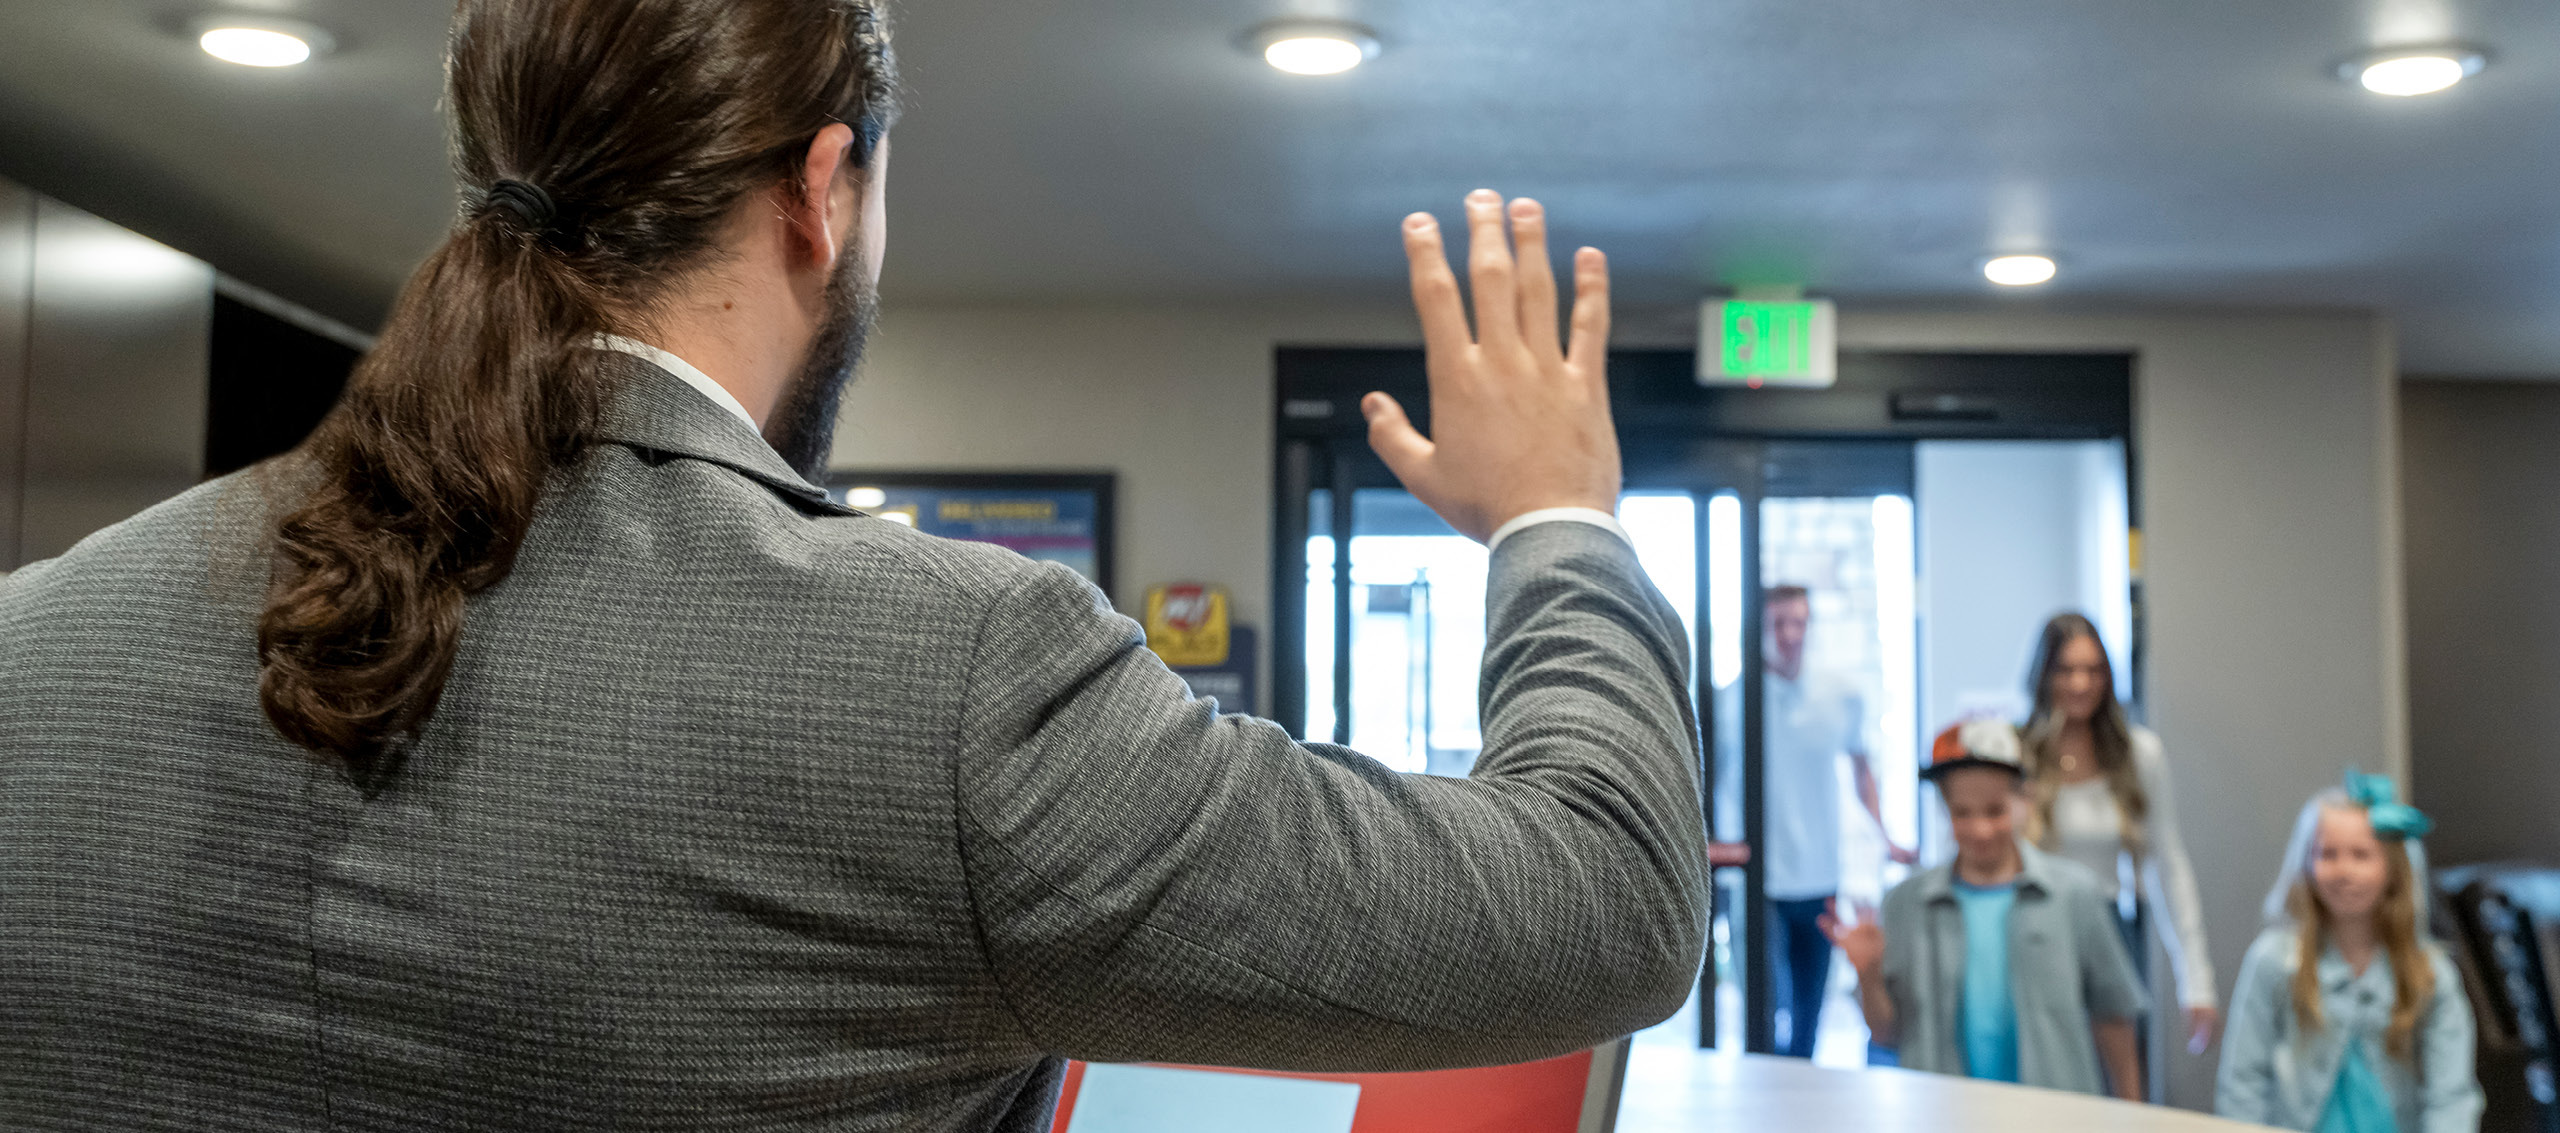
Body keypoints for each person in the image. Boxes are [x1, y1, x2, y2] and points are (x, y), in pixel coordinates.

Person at [0, 2, 1711, 1129]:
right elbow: (1604, 902)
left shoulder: (33, 648)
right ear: (825, 190)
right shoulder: (955, 684)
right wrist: (1557, 520)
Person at [1824, 719, 2145, 1099]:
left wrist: (2132, 1114)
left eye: (1995, 811)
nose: (1980, 830)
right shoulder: (1905, 905)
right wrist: (1869, 972)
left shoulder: (2074, 896)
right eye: (1963, 813)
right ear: (1946, 808)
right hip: (1942, 1118)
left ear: (2023, 800)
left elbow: (2114, 1019)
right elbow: (1885, 1034)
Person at [2216, 775, 2482, 1132]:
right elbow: (2242, 1085)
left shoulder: (2431, 975)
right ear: (2306, 862)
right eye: (2328, 854)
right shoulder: (2272, 961)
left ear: (2393, 869)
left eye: (2361, 855)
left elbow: (2451, 1098)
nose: (2344, 871)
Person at [2018, 612, 2219, 1054]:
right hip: (2031, 933)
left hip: (2108, 933)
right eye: (2066, 670)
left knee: (2118, 1081)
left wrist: (2195, 978)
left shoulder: (2137, 753)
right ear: (2043, 675)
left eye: (2093, 670)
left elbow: (2167, 864)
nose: (2080, 684)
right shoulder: (2017, 753)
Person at [1758, 583, 1917, 1058]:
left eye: (1799, 622)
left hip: (1820, 875)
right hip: (1760, 882)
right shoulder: (1734, 697)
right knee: (1767, 1010)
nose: (1789, 634)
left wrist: (1887, 837)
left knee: (1809, 1019)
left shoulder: (1840, 695)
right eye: (1778, 623)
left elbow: (1861, 773)